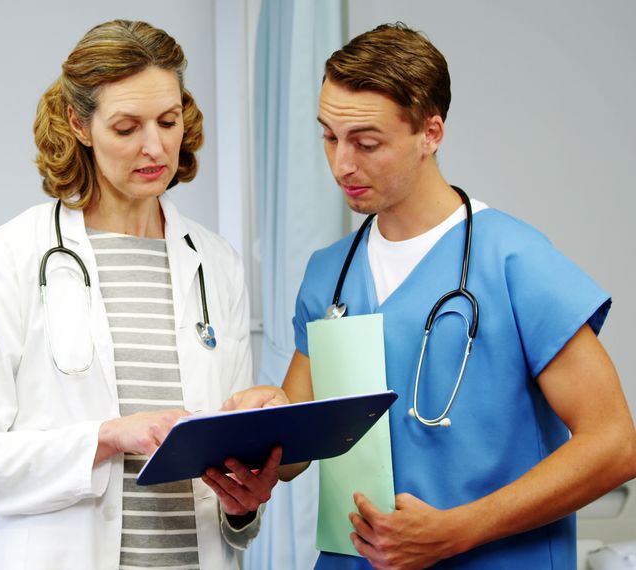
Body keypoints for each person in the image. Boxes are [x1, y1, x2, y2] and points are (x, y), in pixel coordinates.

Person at [226, 22, 636, 569]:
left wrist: (457, 531)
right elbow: (299, 440)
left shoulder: (514, 260)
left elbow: (614, 445)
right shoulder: (330, 273)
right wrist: (265, 427)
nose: (342, 164)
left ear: (431, 132)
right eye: (329, 136)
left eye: (366, 142)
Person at [0, 19, 280, 570]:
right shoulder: (14, 255)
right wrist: (106, 437)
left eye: (168, 120)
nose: (154, 147)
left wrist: (242, 504)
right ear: (79, 125)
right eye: (126, 127)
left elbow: (222, 475)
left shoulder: (215, 263)